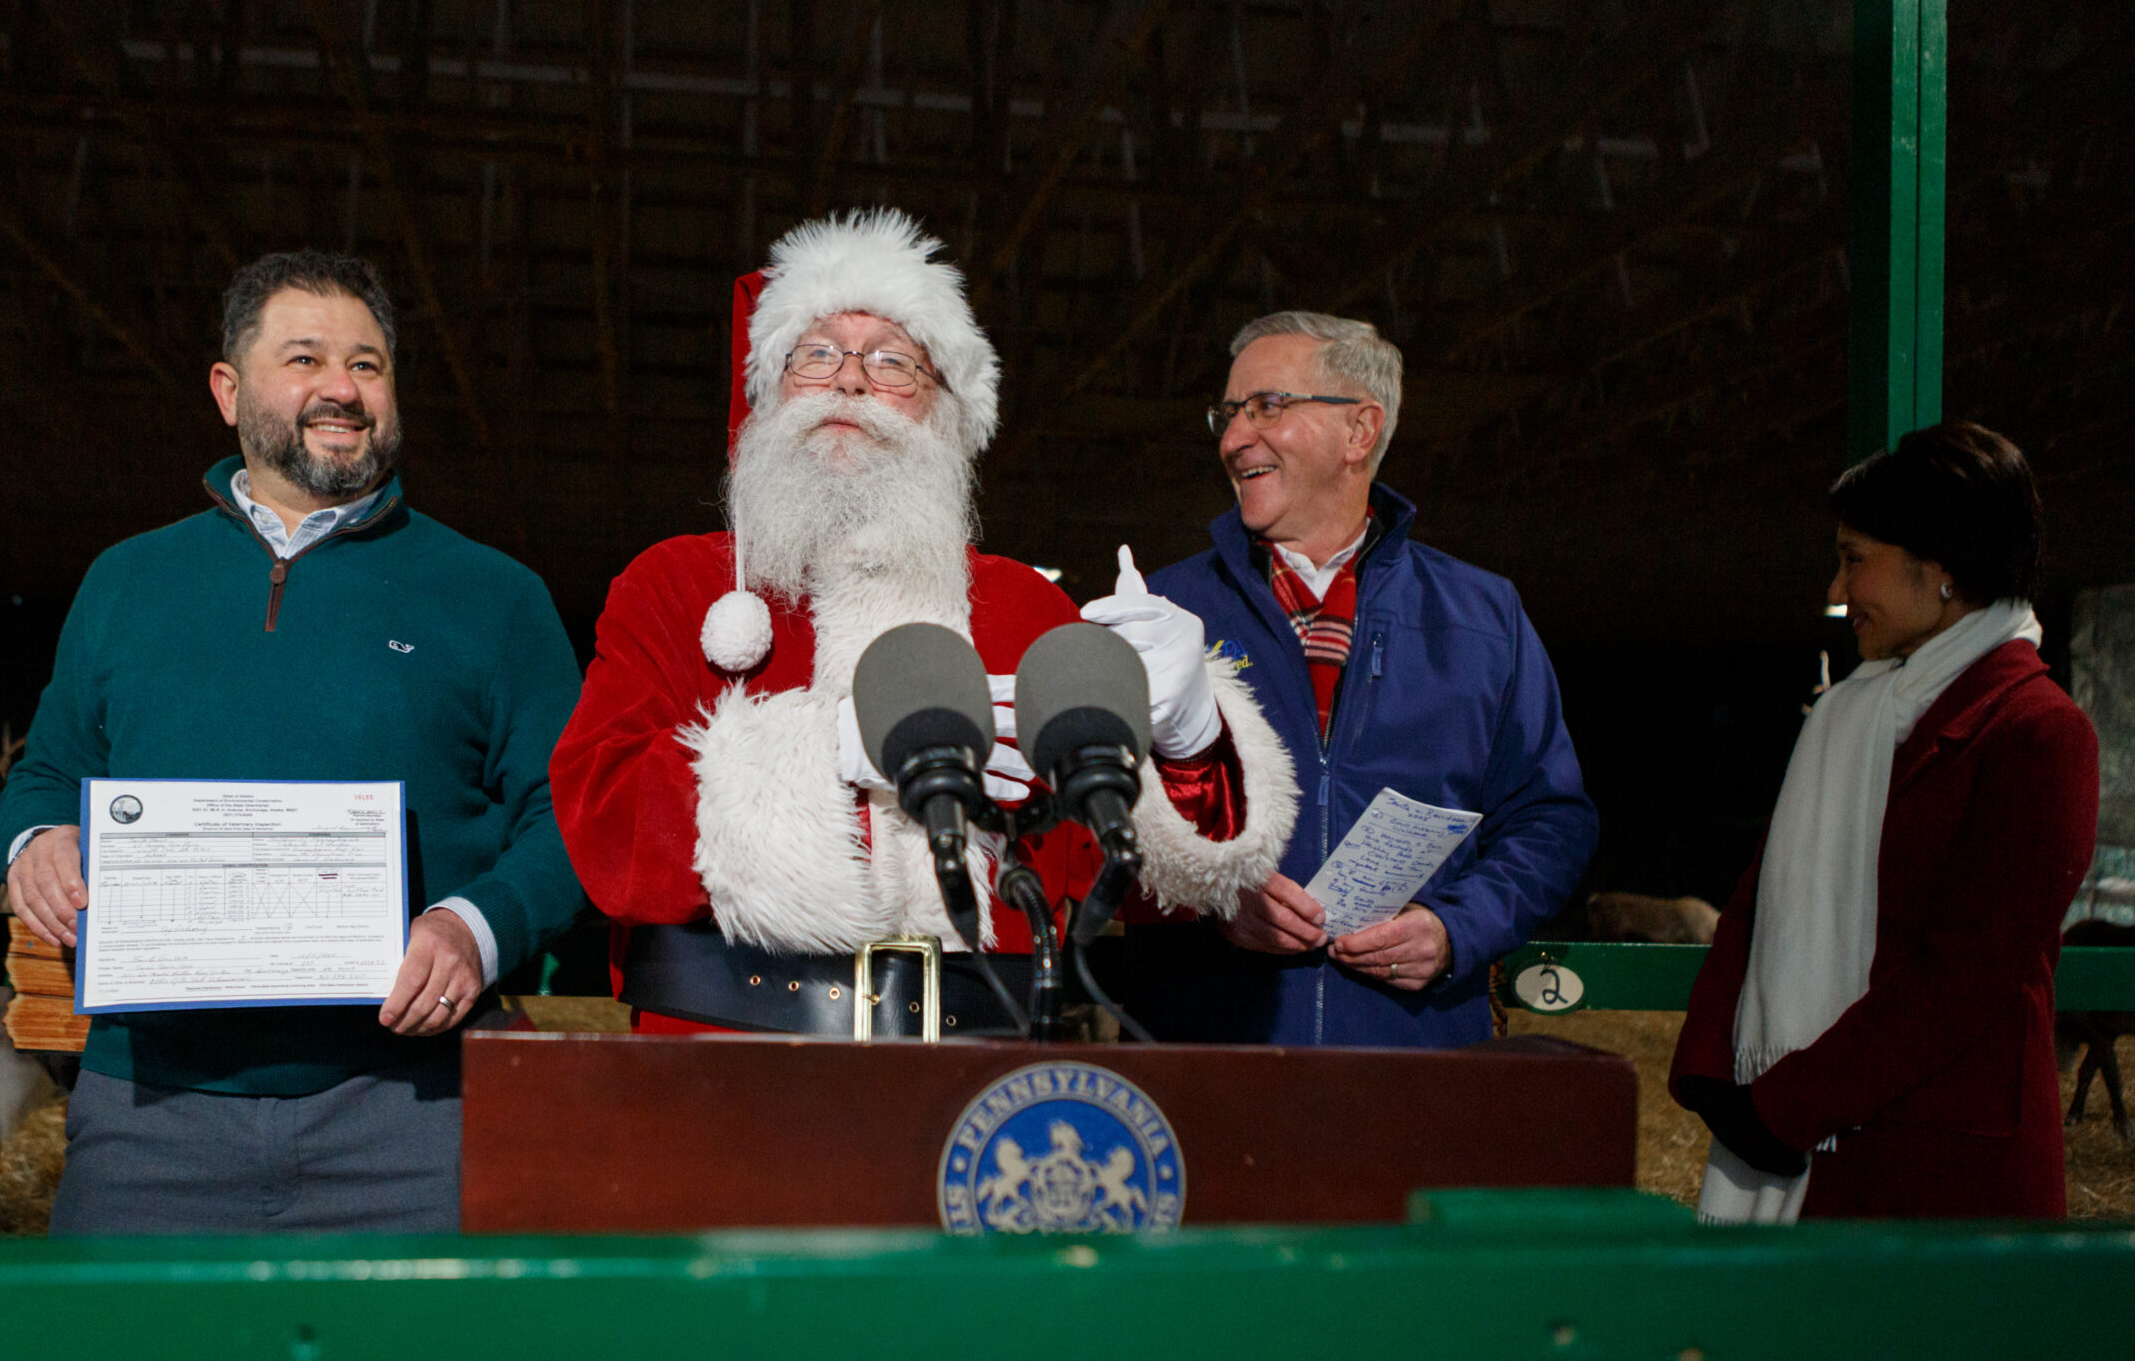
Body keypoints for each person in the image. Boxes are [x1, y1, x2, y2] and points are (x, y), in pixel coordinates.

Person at [549, 212, 1296, 1035]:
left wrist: (1188, 739)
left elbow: (1150, 887)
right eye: (817, 353)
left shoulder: (1024, 608)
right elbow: (603, 820)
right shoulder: (676, 584)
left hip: (982, 1057)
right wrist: (822, 752)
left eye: (892, 361)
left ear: (947, 412)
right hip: (723, 1061)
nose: (849, 381)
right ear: (768, 393)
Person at [0, 251, 586, 1232]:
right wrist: (39, 840)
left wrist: (474, 928)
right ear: (228, 391)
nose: (340, 389)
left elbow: (571, 815)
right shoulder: (126, 582)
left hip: (412, 1113)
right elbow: (49, 771)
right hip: (149, 1114)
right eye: (304, 358)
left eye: (367, 365)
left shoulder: (496, 597)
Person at [1125, 311, 1596, 1046]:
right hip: (1208, 1058)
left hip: (1416, 1062)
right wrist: (1208, 897)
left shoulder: (1483, 617)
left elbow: (1552, 821)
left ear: (1360, 430)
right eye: (1229, 413)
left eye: (1267, 406)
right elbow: (1092, 823)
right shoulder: (1162, 610)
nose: (1233, 438)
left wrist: (1455, 928)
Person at [1672, 421, 2097, 1222]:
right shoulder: (1849, 720)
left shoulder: (2040, 734)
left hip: (1944, 1172)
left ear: (1938, 569)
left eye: (1854, 557)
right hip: (1805, 1149)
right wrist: (1710, 1069)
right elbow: (1761, 900)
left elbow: (1965, 977)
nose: (1837, 588)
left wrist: (1780, 1107)